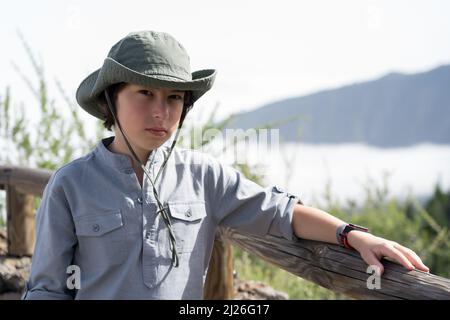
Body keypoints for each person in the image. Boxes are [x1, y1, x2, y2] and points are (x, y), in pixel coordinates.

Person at [22, 30, 429, 300]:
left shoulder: (203, 177)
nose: (161, 111)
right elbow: (47, 288)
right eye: (144, 92)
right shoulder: (71, 184)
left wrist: (352, 236)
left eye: (175, 98)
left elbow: (281, 213)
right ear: (111, 99)